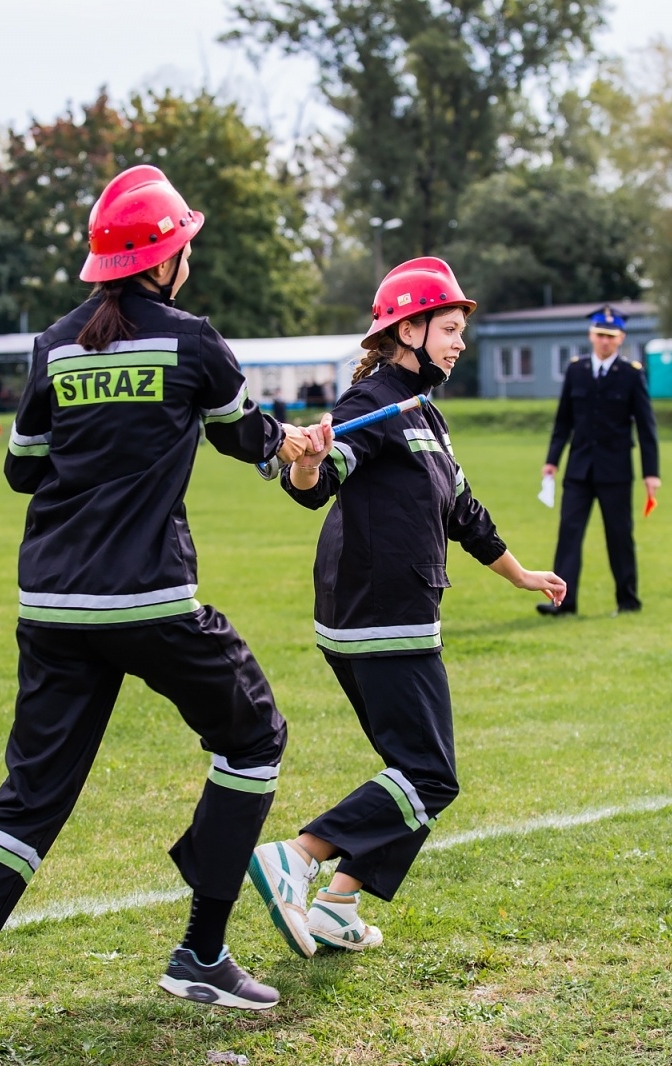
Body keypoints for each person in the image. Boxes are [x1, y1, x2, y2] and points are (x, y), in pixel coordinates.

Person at [0, 165, 330, 1066]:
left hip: (52, 608)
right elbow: (249, 440)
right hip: (150, 601)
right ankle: (200, 951)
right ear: (169, 258)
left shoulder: (55, 345)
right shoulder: (193, 342)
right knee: (255, 739)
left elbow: (21, 469)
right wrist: (295, 446)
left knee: (28, 804)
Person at [247, 257, 565, 958]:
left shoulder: (424, 413)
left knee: (415, 772)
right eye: (449, 328)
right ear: (408, 328)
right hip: (377, 612)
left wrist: (519, 575)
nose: (458, 342)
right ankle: (297, 857)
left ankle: (338, 904)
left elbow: (463, 511)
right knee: (429, 775)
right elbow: (316, 481)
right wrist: (304, 460)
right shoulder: (373, 404)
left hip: (383, 611)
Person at [539, 306, 659, 617]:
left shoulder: (632, 375)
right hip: (579, 469)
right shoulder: (576, 370)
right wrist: (552, 460)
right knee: (569, 534)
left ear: (621, 339)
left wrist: (651, 473)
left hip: (615, 471)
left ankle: (628, 600)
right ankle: (564, 603)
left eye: (611, 336)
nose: (604, 341)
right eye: (600, 335)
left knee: (619, 536)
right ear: (591, 336)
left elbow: (646, 427)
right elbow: (563, 420)